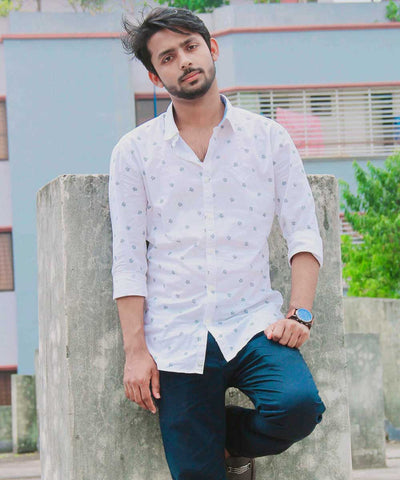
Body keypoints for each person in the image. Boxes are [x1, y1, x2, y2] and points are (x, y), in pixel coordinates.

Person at [108, 7, 326, 480]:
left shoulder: (269, 139)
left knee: (298, 406)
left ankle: (221, 438)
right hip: (176, 336)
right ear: (154, 73)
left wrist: (300, 312)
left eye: (190, 46)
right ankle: (202, 441)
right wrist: (136, 351)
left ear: (212, 49)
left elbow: (303, 231)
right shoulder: (135, 152)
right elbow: (127, 258)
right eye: (168, 56)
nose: (184, 60)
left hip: (251, 323)